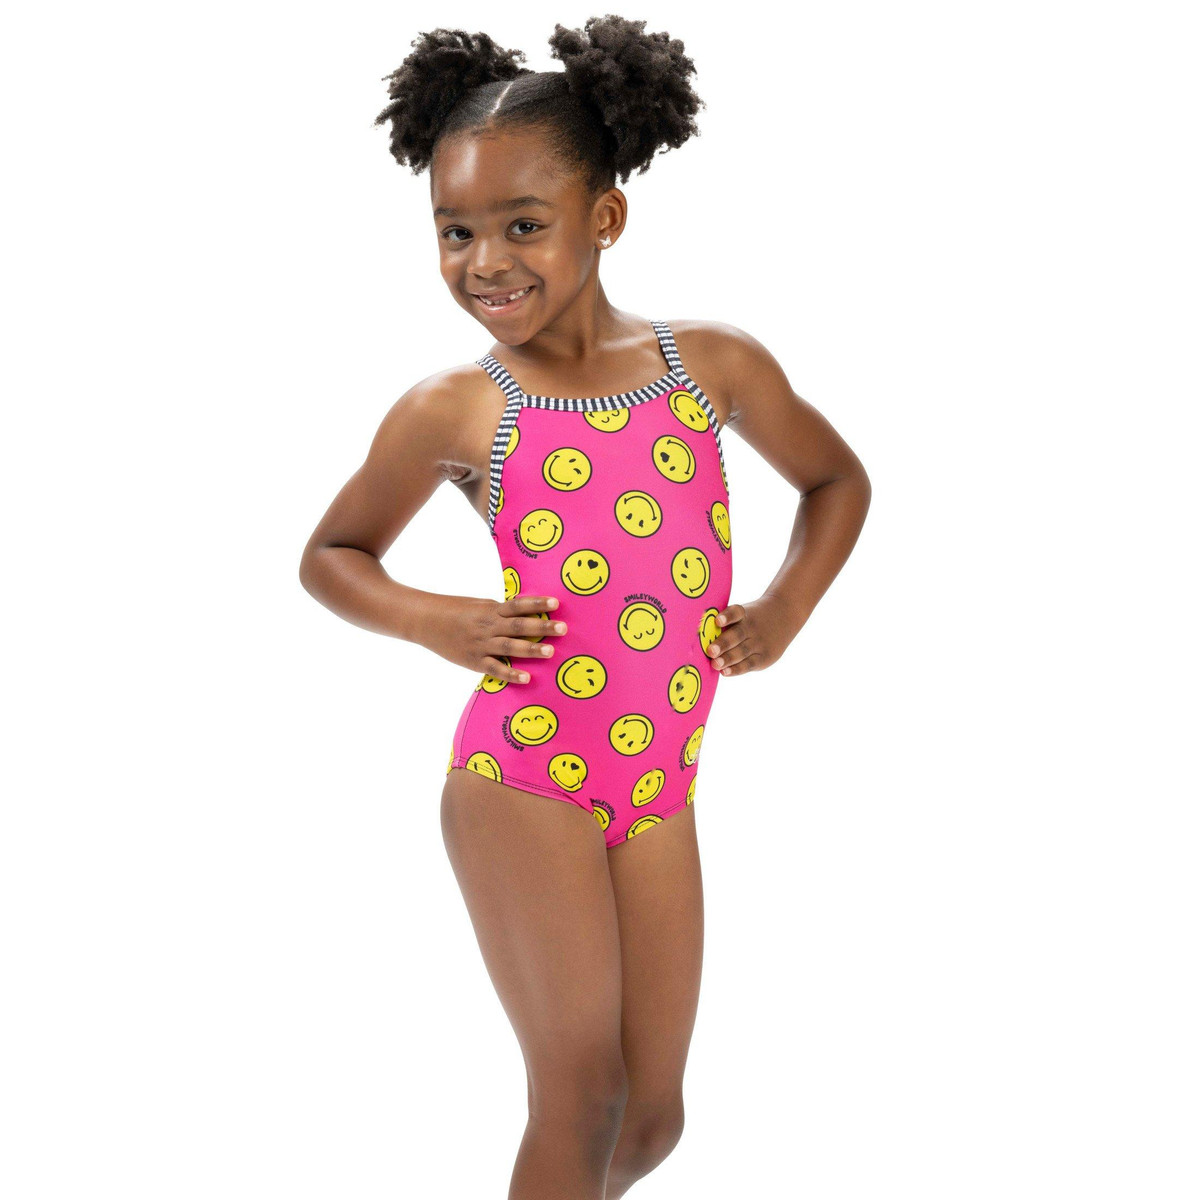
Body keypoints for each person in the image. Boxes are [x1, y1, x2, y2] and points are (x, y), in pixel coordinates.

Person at [299, 16, 871, 1198]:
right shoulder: (456, 408)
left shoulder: (707, 364)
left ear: (604, 218)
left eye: (523, 225)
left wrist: (783, 611)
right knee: (582, 1096)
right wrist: (436, 620)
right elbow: (332, 556)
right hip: (524, 771)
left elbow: (835, 481)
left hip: (659, 778)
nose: (484, 262)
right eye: (455, 231)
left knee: (651, 1121)